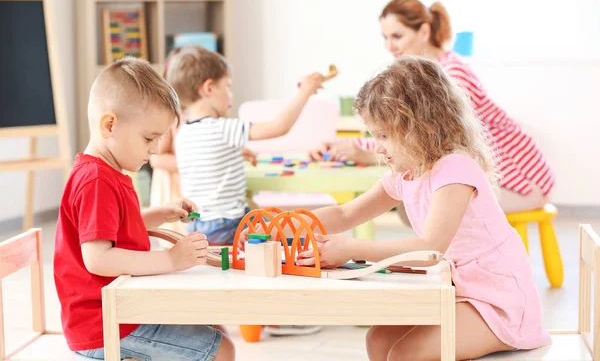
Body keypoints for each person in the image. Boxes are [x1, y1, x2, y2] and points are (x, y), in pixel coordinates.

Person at [245, 56, 551, 359]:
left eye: (383, 135)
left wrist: (351, 248)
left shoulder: (456, 168)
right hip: (457, 290)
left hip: (497, 301)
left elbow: (430, 247)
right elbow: (344, 214)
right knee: (378, 339)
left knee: (405, 354)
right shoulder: (407, 173)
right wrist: (284, 226)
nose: (377, 146)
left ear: (419, 127)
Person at [54, 57, 234, 360]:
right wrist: (170, 259)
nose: (154, 149)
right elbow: (98, 258)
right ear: (109, 125)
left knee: (214, 325)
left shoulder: (108, 172)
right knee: (222, 350)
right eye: (149, 138)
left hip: (123, 307)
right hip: (106, 323)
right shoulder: (96, 180)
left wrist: (159, 213)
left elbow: (113, 228)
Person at [311, 0, 555, 215]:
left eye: (397, 36)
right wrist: (347, 146)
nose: (389, 45)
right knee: (415, 199)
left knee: (420, 200)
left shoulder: (449, 74)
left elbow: (430, 140)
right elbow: (404, 131)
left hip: (521, 180)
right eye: (385, 38)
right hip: (498, 175)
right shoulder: (420, 76)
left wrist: (364, 151)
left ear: (424, 31)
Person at [165, 46, 323, 246]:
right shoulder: (222, 128)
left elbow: (206, 160)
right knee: (288, 234)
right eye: (227, 86)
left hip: (198, 224)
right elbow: (278, 127)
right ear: (209, 88)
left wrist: (233, 152)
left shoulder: (184, 131)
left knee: (265, 218)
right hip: (228, 224)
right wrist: (305, 92)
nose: (230, 94)